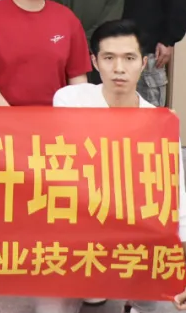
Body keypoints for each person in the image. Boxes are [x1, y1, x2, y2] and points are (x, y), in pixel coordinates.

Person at [46, 19, 186, 313]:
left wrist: (181, 258)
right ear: (95, 61)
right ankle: (91, 287)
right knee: (52, 308)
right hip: (77, 229)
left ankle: (129, 298)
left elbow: (176, 196)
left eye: (129, 58)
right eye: (109, 58)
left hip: (134, 233)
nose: (119, 68)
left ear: (143, 63)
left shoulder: (159, 122)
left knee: (165, 304)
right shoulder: (70, 100)